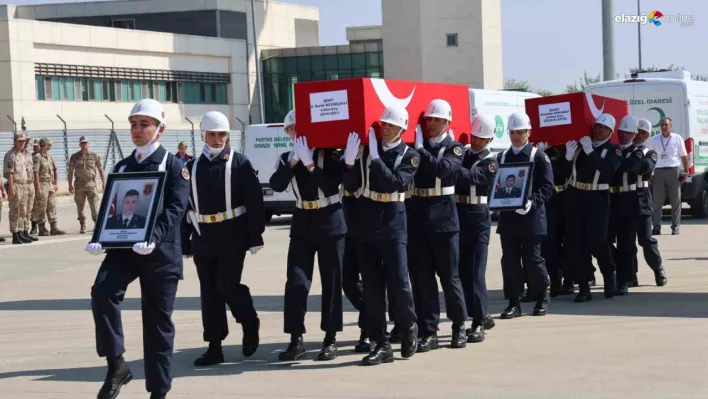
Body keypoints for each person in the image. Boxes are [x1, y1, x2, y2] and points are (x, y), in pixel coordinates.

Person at [84, 98, 190, 399]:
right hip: (124, 250)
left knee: (156, 323)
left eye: (144, 124)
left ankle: (158, 392)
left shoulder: (174, 166)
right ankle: (116, 364)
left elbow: (175, 209)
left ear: (160, 129)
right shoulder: (123, 166)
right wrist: (99, 237)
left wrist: (154, 236)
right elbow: (111, 206)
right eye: (133, 124)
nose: (137, 129)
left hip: (160, 253)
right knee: (102, 293)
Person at [181, 111, 264, 366]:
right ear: (202, 134)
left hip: (233, 233)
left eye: (222, 135)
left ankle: (249, 321)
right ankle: (214, 345)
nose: (217, 139)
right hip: (203, 235)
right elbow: (185, 208)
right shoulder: (190, 167)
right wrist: (185, 242)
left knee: (227, 285)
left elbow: (255, 202)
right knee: (209, 292)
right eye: (212, 134)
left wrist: (255, 236)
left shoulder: (239, 163)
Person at [342, 106, 420, 365]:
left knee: (398, 281)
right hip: (368, 222)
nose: (385, 129)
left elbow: (393, 183)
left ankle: (409, 326)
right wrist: (350, 163)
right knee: (373, 287)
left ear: (402, 129)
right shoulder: (366, 153)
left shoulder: (410, 155)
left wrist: (375, 158)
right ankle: (380, 342)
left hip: (394, 222)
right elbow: (352, 187)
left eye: (390, 125)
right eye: (383, 125)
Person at [269, 109, 346, 361]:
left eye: (298, 129)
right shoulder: (286, 157)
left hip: (330, 219)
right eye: (291, 130)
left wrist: (310, 164)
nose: (295, 134)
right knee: (296, 282)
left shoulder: (330, 154)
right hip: (303, 220)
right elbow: (277, 184)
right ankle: (295, 338)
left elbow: (330, 185)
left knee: (332, 283)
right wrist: (294, 160)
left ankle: (330, 338)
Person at [407, 99, 468, 351]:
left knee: (449, 277)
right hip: (418, 217)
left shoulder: (455, 148)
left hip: (444, 219)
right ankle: (428, 330)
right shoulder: (414, 148)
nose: (431, 123)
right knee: (422, 279)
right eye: (428, 119)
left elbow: (442, 170)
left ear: (447, 122)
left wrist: (420, 150)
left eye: (437, 119)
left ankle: (458, 326)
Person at [495, 112, 553, 319]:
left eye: (519, 132)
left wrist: (531, 202)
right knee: (509, 261)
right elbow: (498, 185)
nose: (515, 136)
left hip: (532, 218)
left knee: (533, 259)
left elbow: (548, 187)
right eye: (512, 132)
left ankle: (542, 296)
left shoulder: (537, 156)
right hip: (509, 219)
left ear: (528, 132)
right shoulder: (502, 157)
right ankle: (513, 302)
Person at [563, 113, 622, 302]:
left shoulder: (613, 151)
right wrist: (567, 157)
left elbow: (608, 171)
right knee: (575, 243)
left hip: (598, 198)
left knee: (597, 241)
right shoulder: (580, 147)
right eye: (597, 126)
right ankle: (583, 286)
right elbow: (564, 174)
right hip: (576, 197)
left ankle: (609, 274)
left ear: (610, 132)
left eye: (604, 128)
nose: (599, 130)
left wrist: (590, 151)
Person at [454, 114, 498, 342]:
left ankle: (479, 321)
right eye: (474, 137)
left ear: (489, 138)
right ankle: (477, 315)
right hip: (459, 213)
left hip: (479, 217)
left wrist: (452, 164)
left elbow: (472, 177)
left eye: (481, 138)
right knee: (462, 272)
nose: (476, 141)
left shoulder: (490, 162)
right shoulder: (463, 154)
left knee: (476, 273)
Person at [607, 116, 645, 295]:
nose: (624, 135)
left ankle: (623, 280)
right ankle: (617, 269)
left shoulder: (636, 152)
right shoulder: (613, 150)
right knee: (603, 241)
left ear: (634, 134)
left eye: (628, 132)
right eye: (622, 132)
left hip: (629, 199)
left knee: (626, 244)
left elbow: (631, 167)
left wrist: (615, 162)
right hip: (611, 200)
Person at [535, 141, 575, 297]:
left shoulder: (572, 147)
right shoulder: (543, 150)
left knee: (569, 242)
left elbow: (567, 173)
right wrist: (540, 156)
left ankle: (569, 280)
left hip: (568, 197)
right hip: (550, 200)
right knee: (550, 243)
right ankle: (555, 281)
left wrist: (568, 158)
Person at [632, 119, 668, 286]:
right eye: (634, 130)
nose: (635, 134)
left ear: (646, 135)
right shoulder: (622, 150)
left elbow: (644, 167)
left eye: (639, 131)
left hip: (642, 199)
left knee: (646, 240)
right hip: (624, 199)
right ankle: (630, 274)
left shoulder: (649, 152)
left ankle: (658, 268)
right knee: (627, 241)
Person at [647, 117, 688, 235]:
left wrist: (686, 171)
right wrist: (650, 173)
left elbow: (684, 156)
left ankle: (675, 226)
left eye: (666, 124)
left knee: (675, 201)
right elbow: (650, 158)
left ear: (671, 126)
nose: (663, 127)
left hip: (673, 171)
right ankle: (656, 227)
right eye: (662, 125)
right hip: (659, 172)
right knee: (657, 202)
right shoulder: (654, 140)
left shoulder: (677, 138)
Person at [68, 136, 106, 234]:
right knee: (80, 206)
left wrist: (104, 182)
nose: (84, 145)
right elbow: (70, 171)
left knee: (94, 205)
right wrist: (70, 184)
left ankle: (97, 224)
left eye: (86, 143)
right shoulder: (74, 156)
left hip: (91, 183)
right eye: (82, 143)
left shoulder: (94, 155)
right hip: (79, 184)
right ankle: (82, 224)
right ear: (80, 144)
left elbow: (100, 169)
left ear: (88, 144)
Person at [32, 137, 65, 236]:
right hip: (42, 184)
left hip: (49, 183)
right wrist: (37, 187)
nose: (50, 146)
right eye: (49, 144)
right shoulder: (37, 157)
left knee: (52, 205)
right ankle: (42, 228)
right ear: (45, 145)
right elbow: (36, 173)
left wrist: (55, 183)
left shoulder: (49, 156)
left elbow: (55, 170)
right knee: (41, 206)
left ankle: (54, 227)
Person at [3, 132, 30, 244]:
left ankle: (20, 232)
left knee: (23, 209)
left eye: (23, 141)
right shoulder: (11, 155)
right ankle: (15, 234)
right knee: (14, 210)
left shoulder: (21, 155)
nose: (22, 143)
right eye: (20, 141)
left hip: (23, 184)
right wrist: (11, 188)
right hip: (15, 184)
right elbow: (9, 173)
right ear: (15, 142)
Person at [22, 135, 37, 242]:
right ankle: (20, 231)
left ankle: (26, 231)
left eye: (28, 141)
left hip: (30, 184)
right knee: (21, 210)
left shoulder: (29, 155)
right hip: (22, 185)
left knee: (29, 210)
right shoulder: (16, 154)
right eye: (25, 141)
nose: (27, 143)